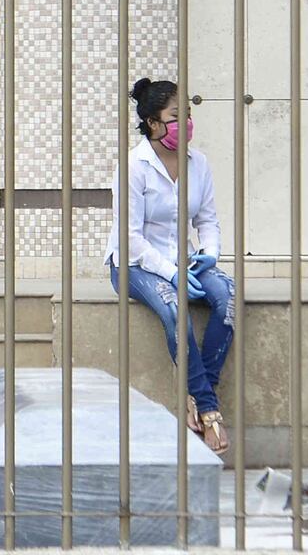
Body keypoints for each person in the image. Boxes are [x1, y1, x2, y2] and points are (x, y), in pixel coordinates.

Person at [106, 78, 235, 454]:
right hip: (136, 263)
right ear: (153, 123)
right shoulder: (134, 166)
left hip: (186, 260)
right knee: (175, 308)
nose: (187, 124)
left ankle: (199, 394)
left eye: (189, 115)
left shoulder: (199, 163)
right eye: (177, 116)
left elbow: (207, 221)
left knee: (228, 298)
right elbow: (130, 238)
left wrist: (209, 252)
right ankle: (210, 412)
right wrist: (173, 274)